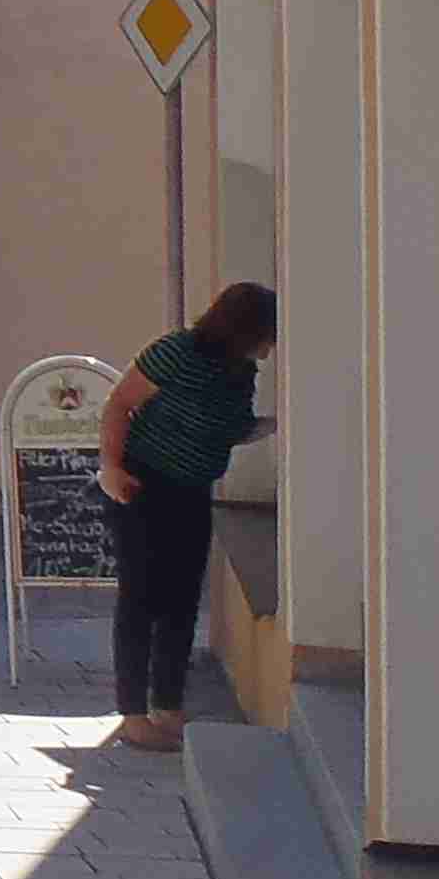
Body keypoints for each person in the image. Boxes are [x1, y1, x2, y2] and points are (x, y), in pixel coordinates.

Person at [97, 281, 279, 751]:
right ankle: (133, 715)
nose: (268, 351)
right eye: (264, 338)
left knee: (181, 601)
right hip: (141, 486)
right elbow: (119, 404)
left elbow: (229, 427)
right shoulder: (175, 352)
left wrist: (275, 427)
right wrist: (111, 467)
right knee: (140, 600)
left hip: (192, 492)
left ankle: (169, 705)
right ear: (241, 329)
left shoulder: (240, 371)